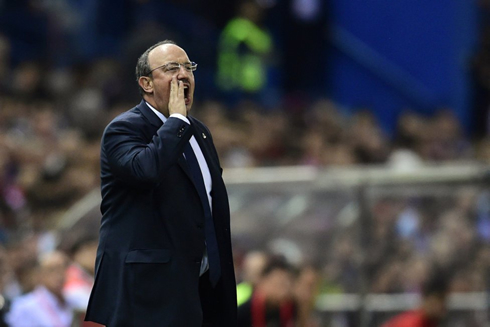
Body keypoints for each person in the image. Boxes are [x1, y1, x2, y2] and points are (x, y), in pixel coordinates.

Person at [85, 40, 237, 327]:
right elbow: (146, 170)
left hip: (201, 286)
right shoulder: (123, 128)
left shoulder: (199, 132)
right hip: (148, 293)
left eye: (188, 67)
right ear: (146, 83)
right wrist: (177, 119)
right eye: (170, 68)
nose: (183, 75)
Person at [6, 251, 73, 327]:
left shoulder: (74, 300)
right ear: (40, 274)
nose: (59, 275)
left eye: (63, 269)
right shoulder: (24, 306)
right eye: (52, 270)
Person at [237, 257, 297, 327]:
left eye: (286, 285)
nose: (284, 291)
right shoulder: (243, 313)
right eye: (278, 284)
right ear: (263, 281)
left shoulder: (288, 311)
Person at [381, 270, 450, 327]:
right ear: (428, 299)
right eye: (440, 300)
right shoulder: (411, 323)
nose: (443, 306)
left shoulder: (430, 322)